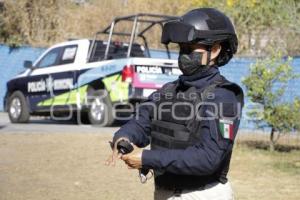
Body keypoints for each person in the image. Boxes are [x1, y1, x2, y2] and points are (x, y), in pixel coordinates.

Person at [106, 8, 244, 200]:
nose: (183, 55)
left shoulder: (224, 96)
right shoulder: (169, 91)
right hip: (164, 193)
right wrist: (123, 138)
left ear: (214, 50)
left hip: (202, 195)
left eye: (190, 49)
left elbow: (208, 158)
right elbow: (141, 121)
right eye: (181, 48)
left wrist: (147, 159)